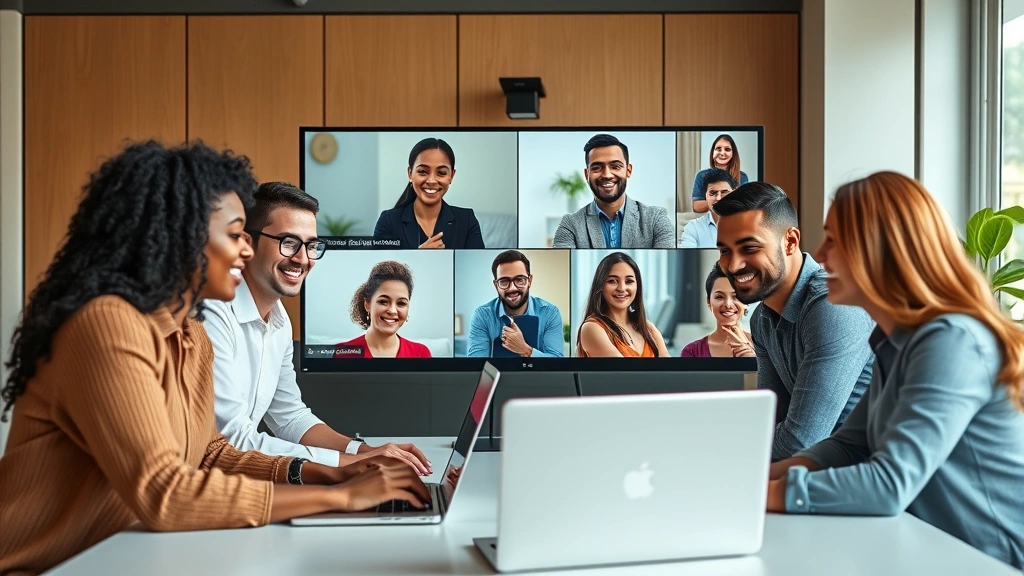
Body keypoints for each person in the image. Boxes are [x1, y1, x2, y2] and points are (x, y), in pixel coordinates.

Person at [0, 141, 429, 576]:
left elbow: (209, 453)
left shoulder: (187, 334)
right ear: (179, 236)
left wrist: (327, 474)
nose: (244, 251)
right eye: (234, 235)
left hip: (121, 558)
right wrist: (341, 496)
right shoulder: (107, 324)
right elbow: (164, 492)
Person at [766, 172, 1024, 570]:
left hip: (989, 561)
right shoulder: (896, 342)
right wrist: (757, 476)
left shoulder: (951, 342)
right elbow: (848, 447)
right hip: (931, 550)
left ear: (881, 250)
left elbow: (888, 484)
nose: (820, 253)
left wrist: (755, 495)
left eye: (835, 240)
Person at [203, 182, 430, 474]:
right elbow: (230, 438)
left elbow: (290, 418)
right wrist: (351, 464)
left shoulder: (280, 320)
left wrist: (366, 451)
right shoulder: (212, 313)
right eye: (288, 242)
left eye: (311, 245)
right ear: (247, 243)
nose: (303, 258)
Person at [714, 182, 875, 460]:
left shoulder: (832, 304)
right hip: (812, 476)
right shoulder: (762, 318)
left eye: (749, 248)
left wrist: (723, 445)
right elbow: (770, 421)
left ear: (789, 241)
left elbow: (800, 442)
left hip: (865, 482)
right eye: (725, 251)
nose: (733, 265)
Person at [553, 134, 674, 249]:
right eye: (597, 168)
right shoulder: (570, 225)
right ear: (587, 174)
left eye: (615, 166)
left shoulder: (655, 219)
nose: (607, 175)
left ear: (628, 170)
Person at [373, 137, 484, 249]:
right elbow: (382, 265)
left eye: (441, 173)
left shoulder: (467, 220)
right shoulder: (388, 221)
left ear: (452, 176)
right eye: (422, 172)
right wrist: (421, 256)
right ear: (410, 173)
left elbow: (479, 265)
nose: (431, 180)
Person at [467, 250, 565, 358]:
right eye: (504, 281)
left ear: (529, 281)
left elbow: (557, 362)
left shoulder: (549, 313)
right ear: (496, 285)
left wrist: (525, 350)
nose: (512, 288)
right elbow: (476, 365)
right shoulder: (482, 316)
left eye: (519, 280)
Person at [576, 252, 670, 358]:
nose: (621, 288)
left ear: (637, 286)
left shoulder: (648, 328)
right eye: (612, 281)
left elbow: (670, 370)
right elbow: (624, 373)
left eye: (629, 281)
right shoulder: (592, 328)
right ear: (600, 286)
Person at [335, 260, 433, 358]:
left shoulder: (421, 353)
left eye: (401, 303)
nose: (392, 311)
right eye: (383, 302)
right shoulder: (343, 353)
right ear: (367, 304)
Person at [680, 263, 755, 357]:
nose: (728, 304)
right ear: (709, 302)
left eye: (736, 296)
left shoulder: (764, 347)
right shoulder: (692, 351)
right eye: (719, 297)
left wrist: (752, 360)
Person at [678, 168, 736, 248]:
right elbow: (686, 258)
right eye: (713, 193)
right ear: (705, 196)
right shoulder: (693, 227)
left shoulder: (746, 225)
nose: (718, 198)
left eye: (724, 192)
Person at [691, 133, 748, 214]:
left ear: (733, 153)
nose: (722, 153)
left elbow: (744, 205)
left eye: (727, 149)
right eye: (718, 149)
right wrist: (724, 199)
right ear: (713, 152)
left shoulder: (742, 177)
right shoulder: (701, 175)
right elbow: (696, 207)